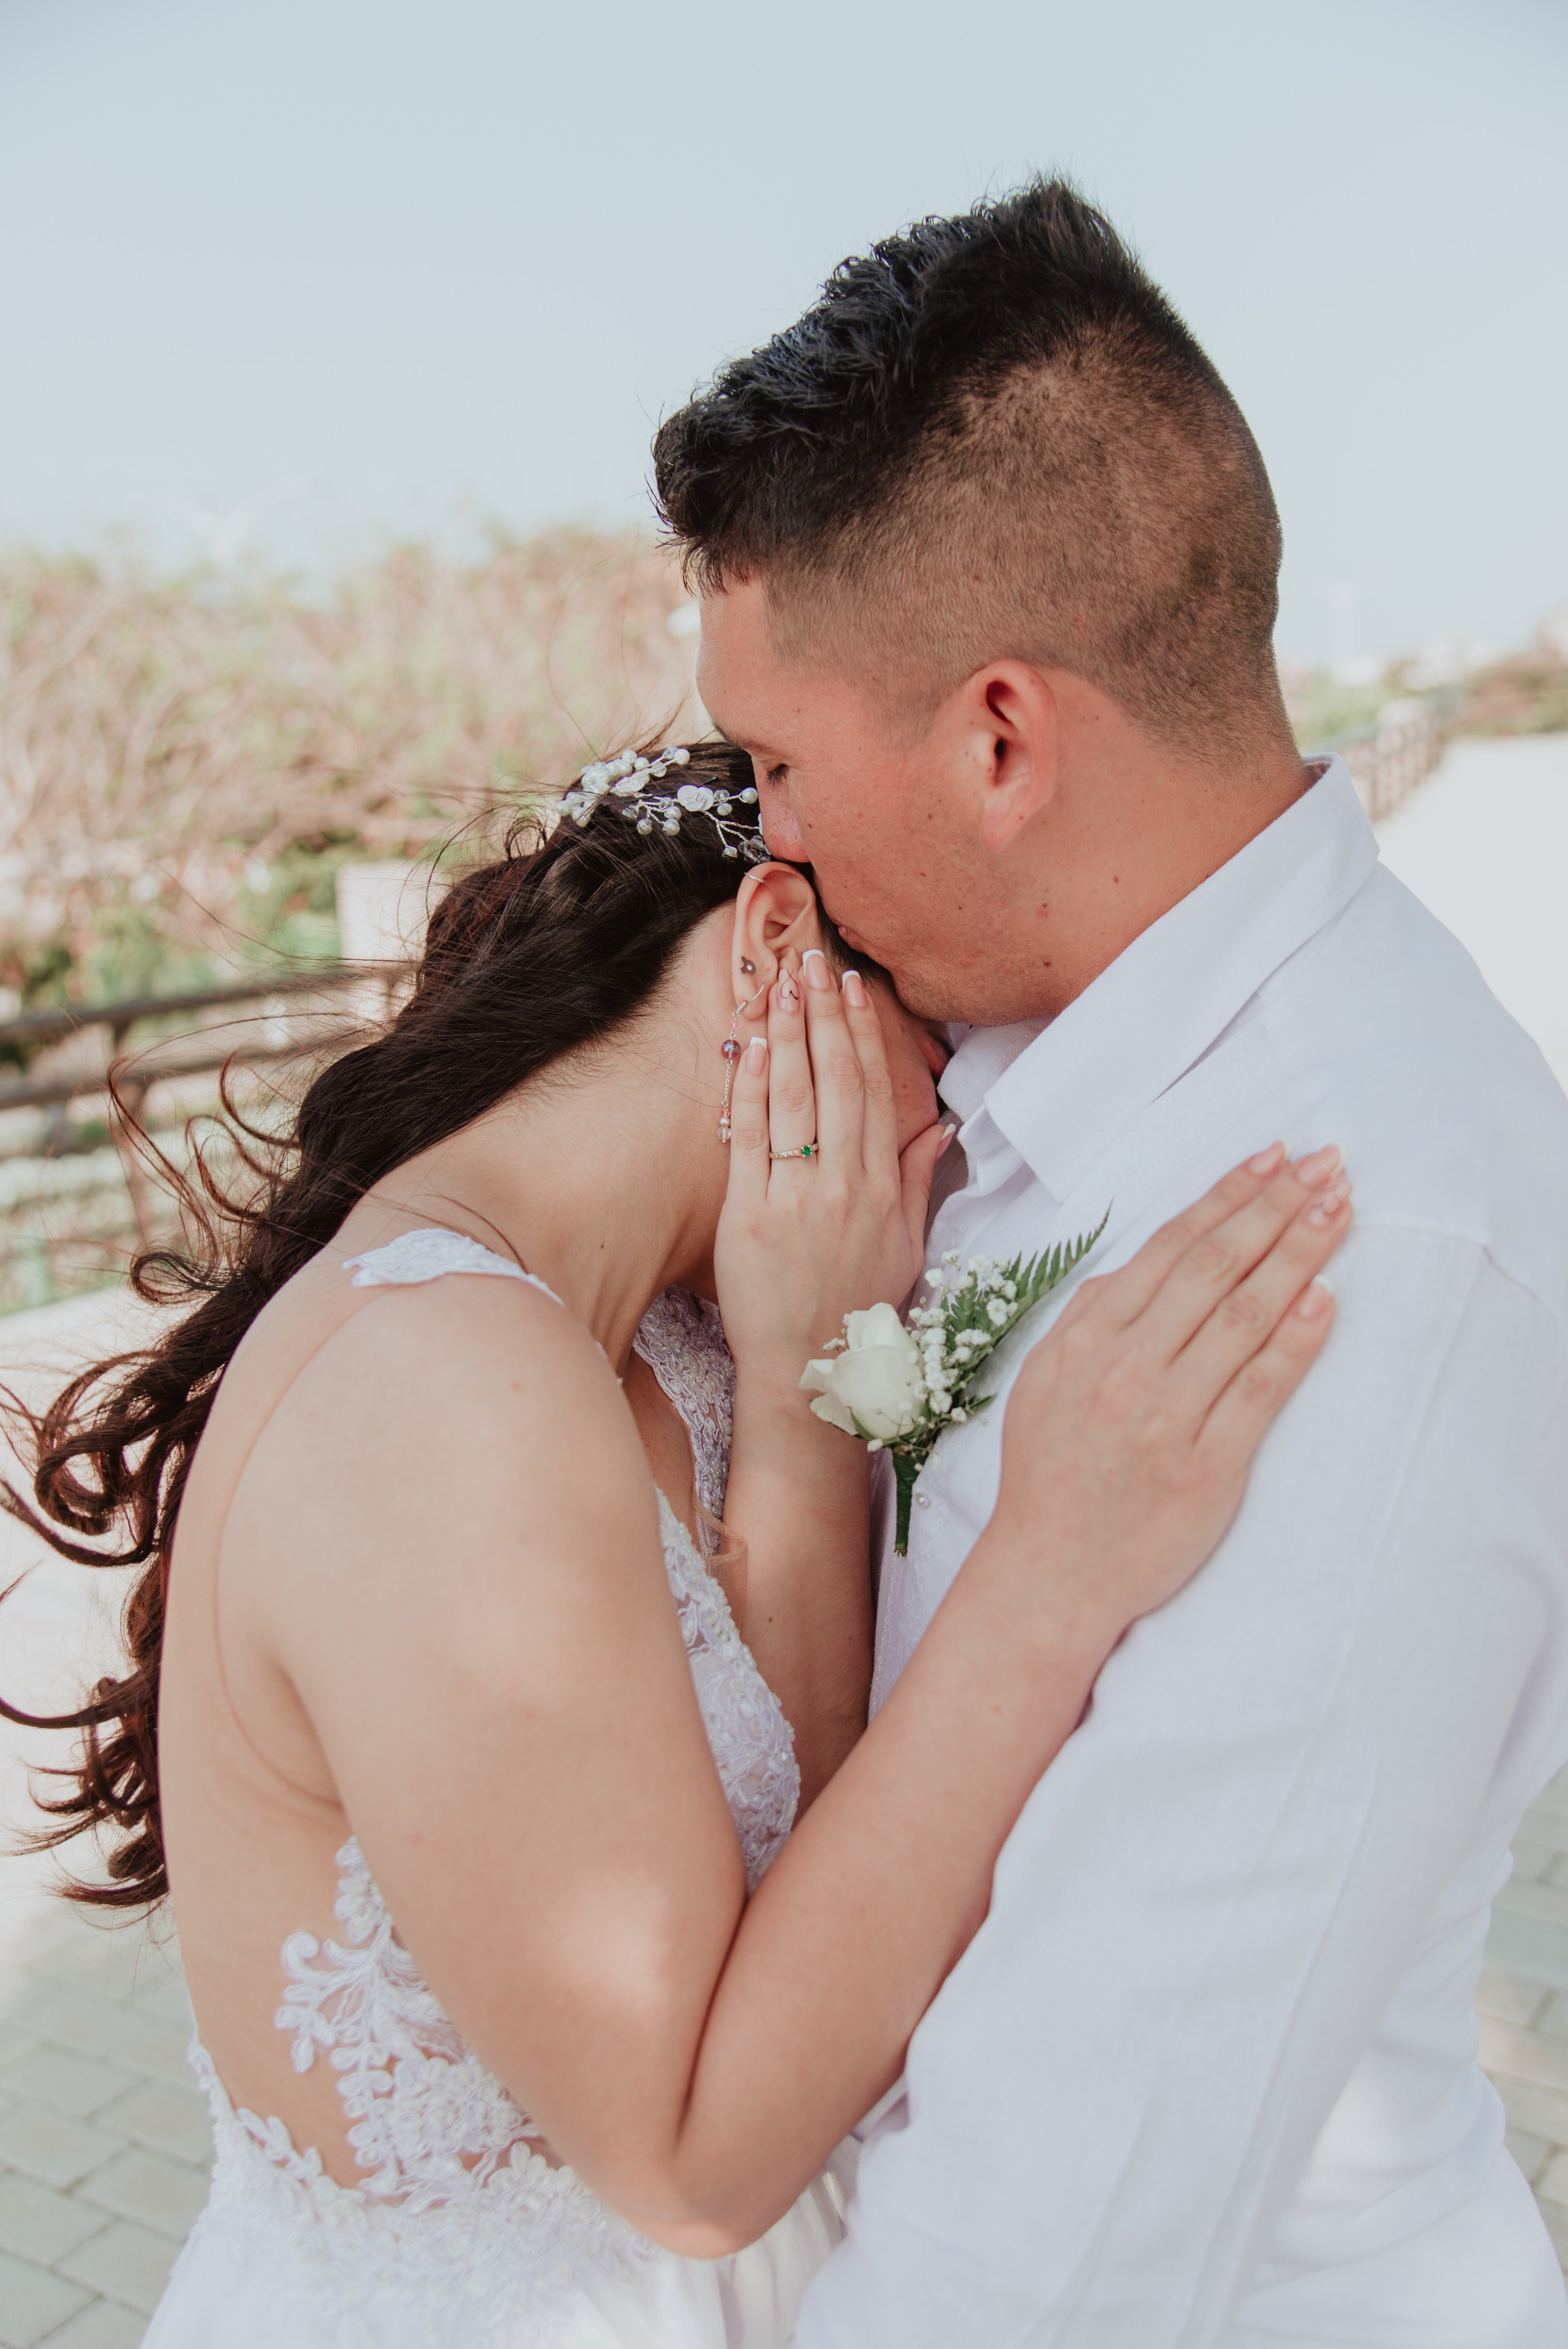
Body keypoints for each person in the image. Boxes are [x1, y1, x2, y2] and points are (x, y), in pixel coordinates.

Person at [2, 747, 1347, 2349]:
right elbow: (691, 2160)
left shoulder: (673, 1330)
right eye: (940, 1047)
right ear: (777, 947)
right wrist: (1055, 1573)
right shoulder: (436, 1389)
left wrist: (800, 1396)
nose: (956, 1131)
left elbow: (790, 1881)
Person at [656, 180, 1568, 2345]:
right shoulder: (998, 1059)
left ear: (1000, 735)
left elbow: (1067, 2220)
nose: (764, 836)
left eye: (777, 762)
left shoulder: (1366, 1245)